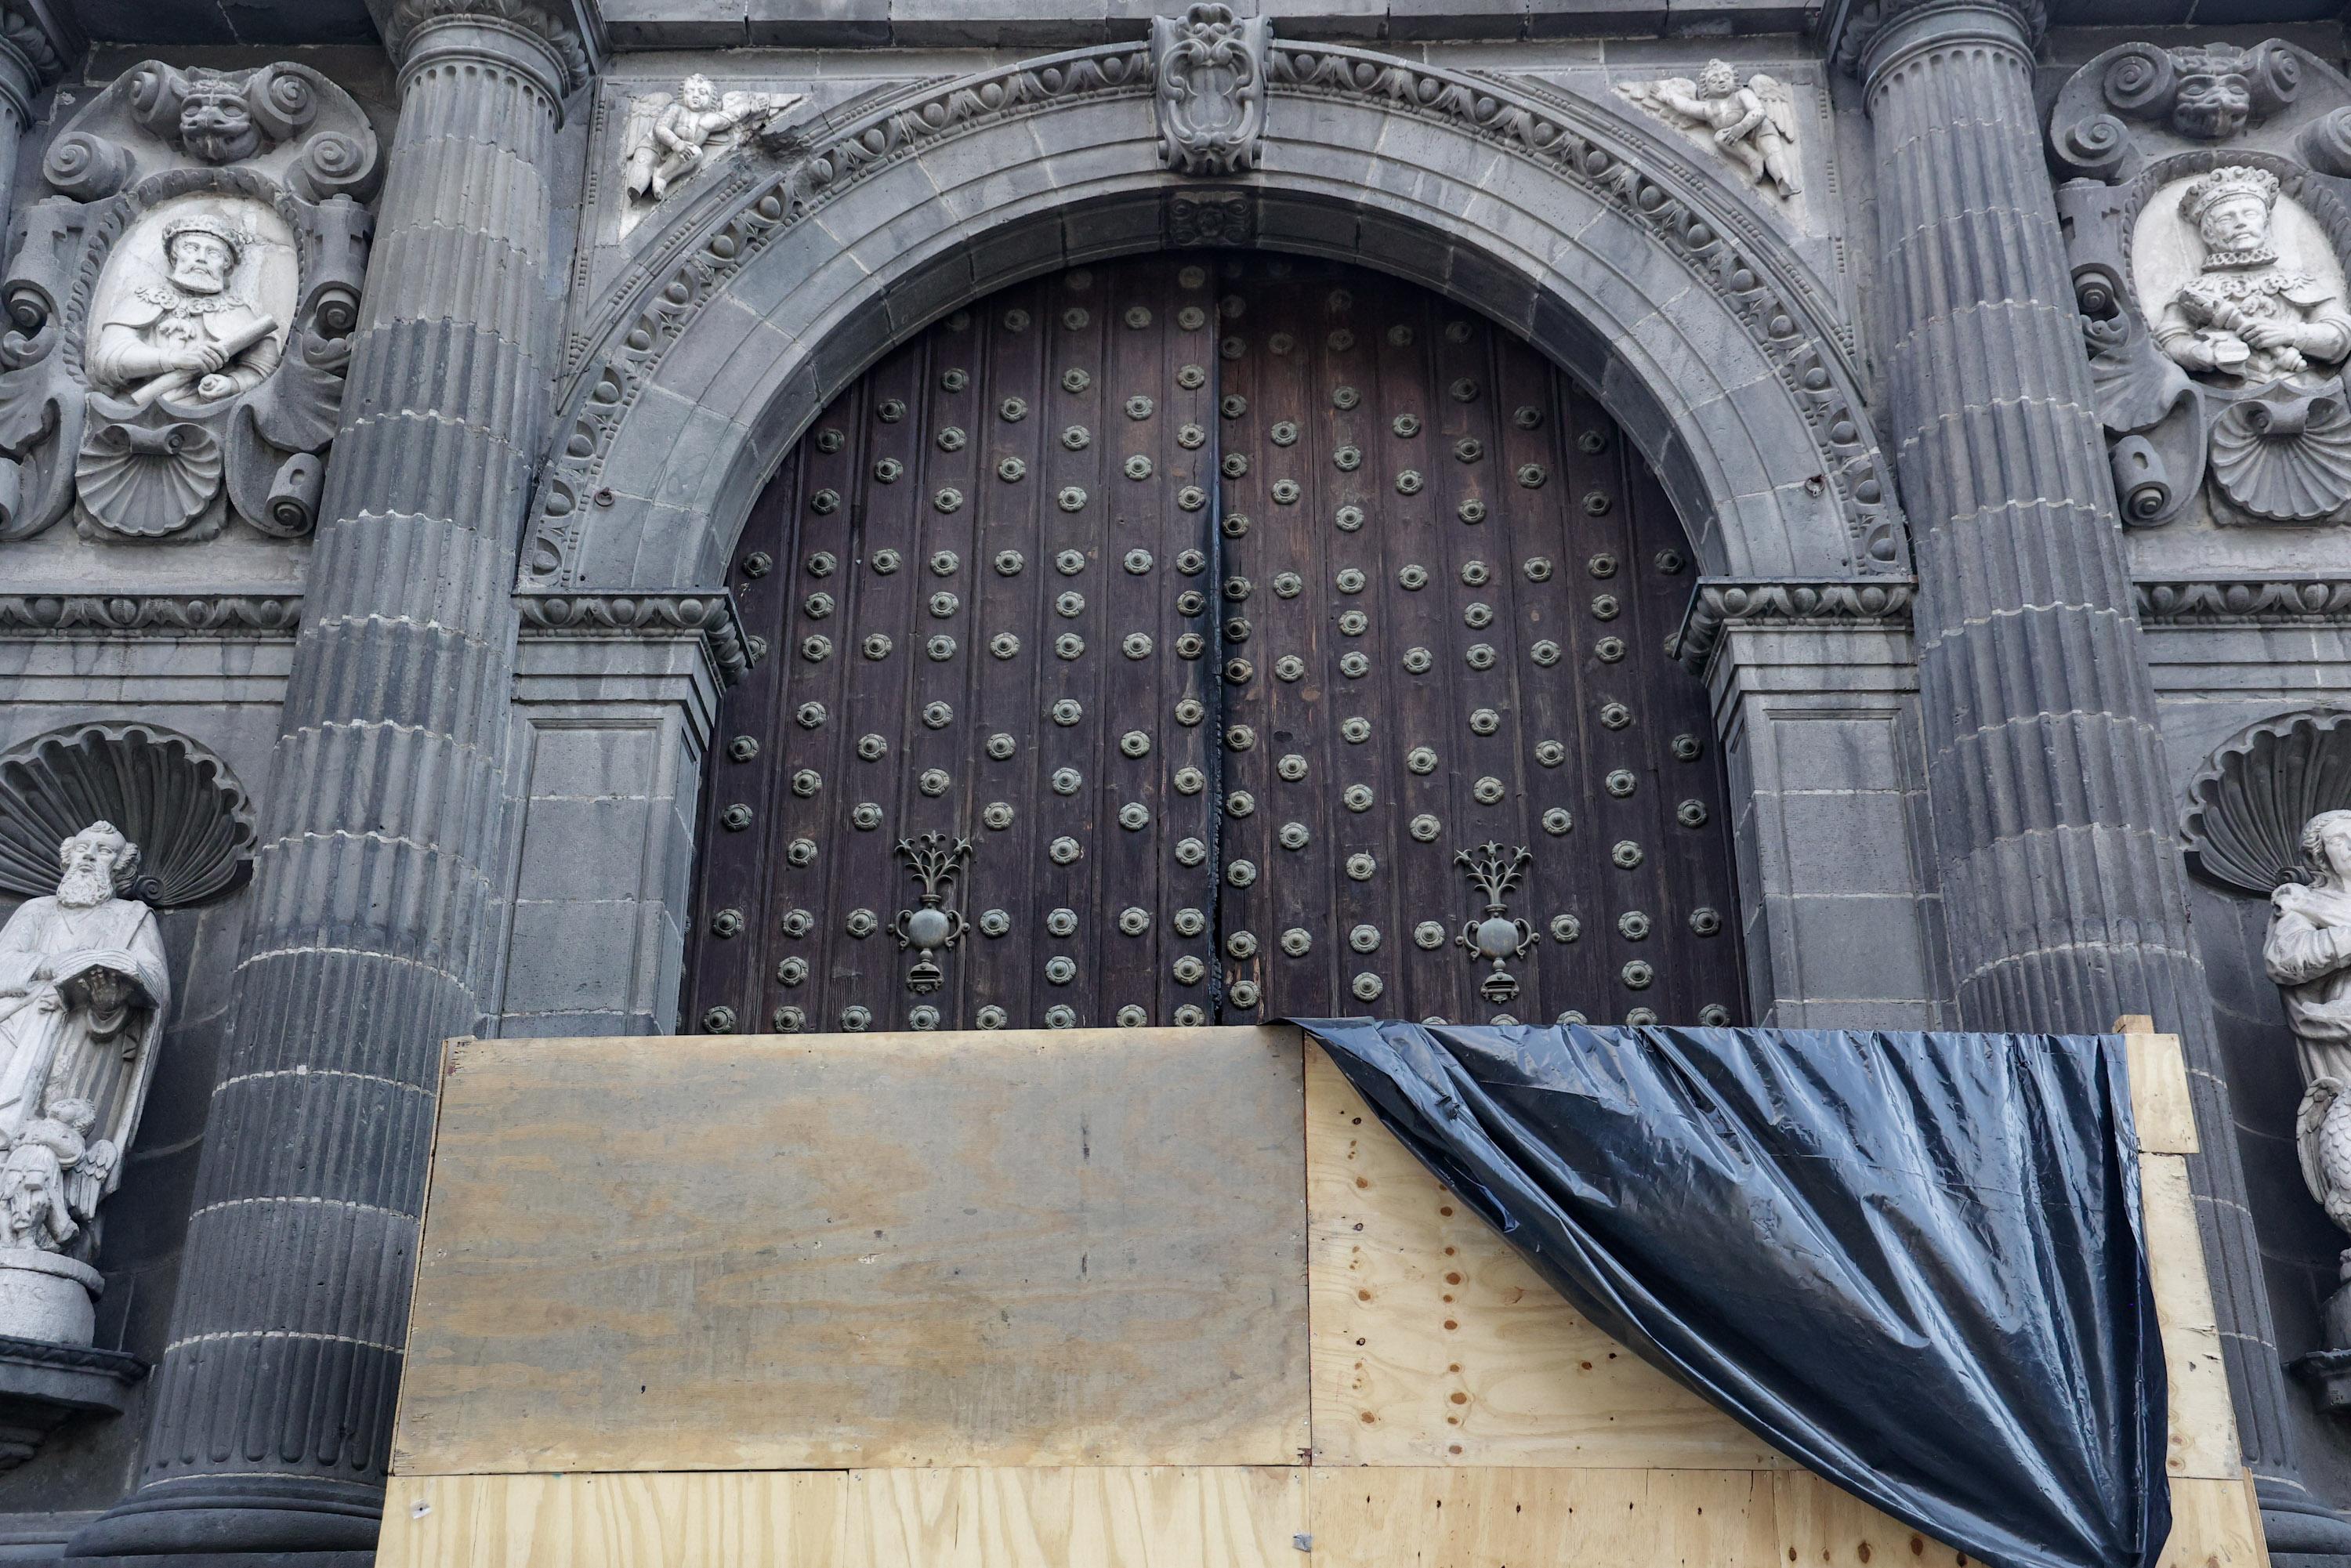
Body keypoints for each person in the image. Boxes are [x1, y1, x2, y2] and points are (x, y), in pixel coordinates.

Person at [0, 823, 168, 1233]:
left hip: (86, 1041)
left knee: (57, 1129)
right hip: (19, 1026)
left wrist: (112, 1000)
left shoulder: (132, 917)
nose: (91, 856)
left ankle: (43, 1224)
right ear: (68, 856)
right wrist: (50, 968)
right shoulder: (37, 911)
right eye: (84, 848)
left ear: (121, 868)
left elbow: (154, 985)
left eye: (105, 851)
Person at [2156, 165, 2351, 383]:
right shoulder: (2196, 291)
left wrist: (2291, 334)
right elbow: (2170, 338)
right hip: (2227, 393)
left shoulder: (2295, 280)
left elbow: (2341, 335)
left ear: (2265, 223)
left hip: (2303, 385)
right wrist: (2198, 352)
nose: (2240, 223)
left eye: (2250, 213)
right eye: (2226, 219)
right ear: (2209, 233)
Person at [86, 212, 281, 405]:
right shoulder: (144, 297)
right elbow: (107, 360)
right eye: (191, 248)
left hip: (205, 412)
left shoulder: (236, 311)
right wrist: (176, 359)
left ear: (226, 265)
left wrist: (231, 384)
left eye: (213, 253)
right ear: (175, 257)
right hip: (135, 407)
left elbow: (263, 369)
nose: (201, 259)